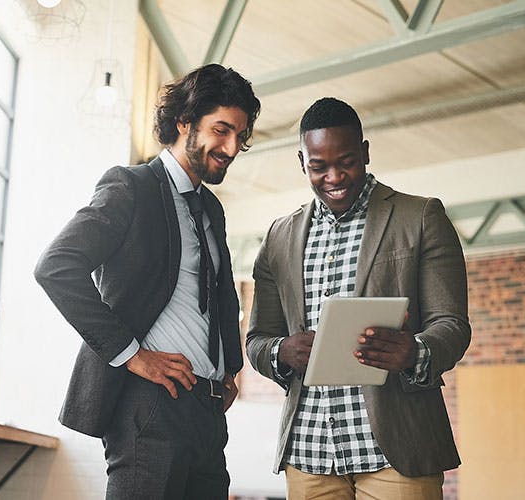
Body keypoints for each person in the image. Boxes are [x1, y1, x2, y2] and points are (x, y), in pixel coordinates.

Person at [34, 64, 260, 499]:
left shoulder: (211, 210)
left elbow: (223, 296)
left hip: (209, 413)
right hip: (151, 405)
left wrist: (231, 371)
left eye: (239, 136)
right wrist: (133, 355)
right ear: (184, 122)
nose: (231, 147)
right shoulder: (131, 187)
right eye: (221, 130)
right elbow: (57, 266)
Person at [246, 97, 471, 499]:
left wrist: (414, 352)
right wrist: (282, 351)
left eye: (346, 161)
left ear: (365, 152)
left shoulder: (420, 217)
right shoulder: (278, 237)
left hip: (397, 449)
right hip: (310, 451)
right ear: (302, 162)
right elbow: (258, 339)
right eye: (318, 166)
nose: (334, 176)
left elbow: (452, 325)